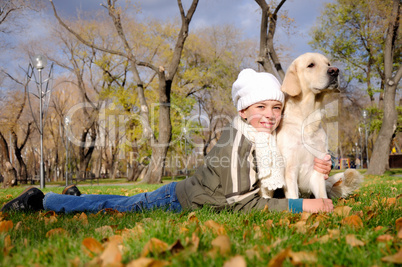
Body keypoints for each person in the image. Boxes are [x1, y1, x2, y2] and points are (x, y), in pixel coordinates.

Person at [1, 69, 334, 214]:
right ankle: (41, 201)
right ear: (244, 111)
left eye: (276, 107)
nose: (270, 114)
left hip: (186, 191)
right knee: (115, 206)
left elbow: (289, 168)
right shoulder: (236, 142)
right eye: (261, 107)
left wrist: (317, 165)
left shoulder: (266, 137)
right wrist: (301, 205)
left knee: (117, 204)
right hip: (178, 200)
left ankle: (72, 196)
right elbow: (242, 204)